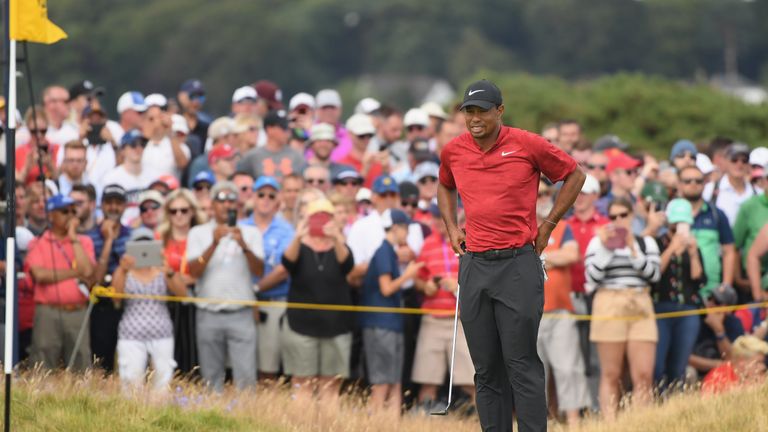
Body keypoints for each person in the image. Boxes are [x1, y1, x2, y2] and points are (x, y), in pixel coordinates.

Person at [437, 79, 585, 431]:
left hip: (518, 264)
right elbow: (445, 185)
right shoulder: (454, 150)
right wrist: (451, 227)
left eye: (481, 111)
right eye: (468, 111)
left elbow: (574, 175)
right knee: (486, 369)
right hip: (474, 265)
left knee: (520, 363)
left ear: (499, 111)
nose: (474, 118)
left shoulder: (526, 144)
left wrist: (548, 225)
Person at [585, 198, 661, 420]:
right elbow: (592, 279)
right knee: (610, 373)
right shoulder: (596, 243)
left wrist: (632, 250)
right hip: (608, 302)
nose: (618, 221)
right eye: (613, 217)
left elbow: (654, 275)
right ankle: (609, 423)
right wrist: (608, 249)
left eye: (623, 215)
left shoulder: (646, 242)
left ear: (632, 216)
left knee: (644, 374)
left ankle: (641, 422)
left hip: (640, 302)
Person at [186, 181, 265, 390]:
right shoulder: (198, 233)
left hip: (241, 313)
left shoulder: (251, 232)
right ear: (212, 204)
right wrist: (213, 244)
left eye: (232, 199)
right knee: (211, 377)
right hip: (208, 313)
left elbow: (259, 271)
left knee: (246, 377)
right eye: (221, 200)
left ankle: (246, 418)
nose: (227, 204)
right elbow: (193, 272)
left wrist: (244, 246)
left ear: (237, 204)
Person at [281, 199, 354, 408]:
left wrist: (336, 237)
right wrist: (298, 235)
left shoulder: (340, 245)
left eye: (325, 216)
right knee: (302, 382)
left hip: (335, 326)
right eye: (316, 217)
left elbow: (347, 265)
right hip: (301, 326)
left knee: (330, 384)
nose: (321, 222)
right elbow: (287, 263)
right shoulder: (299, 245)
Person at [534, 180, 591, 425]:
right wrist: (551, 259)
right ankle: (538, 423)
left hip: (559, 310)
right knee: (536, 374)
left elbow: (572, 254)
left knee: (568, 368)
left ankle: (574, 422)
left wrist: (539, 258)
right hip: (530, 313)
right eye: (539, 194)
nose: (543, 197)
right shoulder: (521, 227)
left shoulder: (562, 226)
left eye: (547, 193)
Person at [411, 204, 475, 414]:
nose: (439, 221)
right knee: (427, 378)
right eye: (436, 217)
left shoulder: (467, 242)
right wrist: (426, 286)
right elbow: (418, 280)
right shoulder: (427, 245)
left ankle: (480, 422)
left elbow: (478, 278)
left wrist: (456, 285)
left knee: (470, 379)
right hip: (433, 318)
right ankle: (426, 421)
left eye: (442, 217)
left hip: (461, 318)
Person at [361, 209, 423, 415]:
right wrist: (409, 275)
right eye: (405, 228)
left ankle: (392, 424)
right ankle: (374, 425)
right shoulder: (384, 251)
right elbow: (386, 288)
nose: (407, 233)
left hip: (391, 323)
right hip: (381, 324)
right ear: (395, 227)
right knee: (382, 382)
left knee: (395, 381)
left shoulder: (388, 251)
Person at [25, 195, 95, 371]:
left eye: (73, 211)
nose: (70, 215)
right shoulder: (38, 242)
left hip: (77, 311)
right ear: (51, 215)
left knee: (81, 362)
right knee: (42, 363)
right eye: (65, 211)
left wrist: (73, 237)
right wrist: (73, 273)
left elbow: (87, 272)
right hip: (48, 312)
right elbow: (40, 275)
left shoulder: (83, 241)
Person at [113, 227, 187, 391]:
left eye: (148, 243)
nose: (143, 247)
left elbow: (182, 294)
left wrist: (169, 271)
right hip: (131, 333)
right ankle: (131, 414)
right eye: (139, 244)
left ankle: (160, 413)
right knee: (131, 382)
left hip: (161, 332)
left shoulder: (162, 269)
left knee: (162, 382)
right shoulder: (125, 271)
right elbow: (116, 298)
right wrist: (122, 270)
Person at [240, 176, 295, 381]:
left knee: (267, 369)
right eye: (261, 194)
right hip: (242, 304)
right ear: (253, 197)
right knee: (239, 366)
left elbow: (283, 270)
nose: (265, 199)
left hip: (271, 303)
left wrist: (254, 288)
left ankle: (264, 410)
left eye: (271, 196)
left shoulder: (286, 230)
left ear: (278, 201)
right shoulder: (240, 226)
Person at [652, 198, 705, 391]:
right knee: (657, 365)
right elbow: (654, 274)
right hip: (661, 308)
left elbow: (699, 279)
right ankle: (658, 400)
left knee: (678, 366)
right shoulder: (657, 243)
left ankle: (675, 402)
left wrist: (692, 253)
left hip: (688, 309)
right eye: (676, 223)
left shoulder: (693, 246)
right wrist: (672, 248)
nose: (680, 228)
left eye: (683, 223)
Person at [156, 188, 207, 374]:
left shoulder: (202, 235)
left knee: (191, 352)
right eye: (173, 210)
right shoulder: (160, 238)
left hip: (193, 301)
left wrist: (174, 276)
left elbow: (200, 272)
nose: (179, 215)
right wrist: (177, 278)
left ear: (192, 211)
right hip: (164, 301)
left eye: (184, 210)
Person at [85, 184, 132, 373]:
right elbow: (95, 278)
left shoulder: (133, 236)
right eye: (109, 203)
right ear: (101, 205)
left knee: (127, 362)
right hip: (101, 306)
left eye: (118, 203)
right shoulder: (90, 237)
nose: (113, 207)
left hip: (127, 304)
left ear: (125, 207)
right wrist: (109, 240)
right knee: (101, 362)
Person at [679, 166, 736, 300]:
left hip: (711, 292)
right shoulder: (670, 213)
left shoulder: (717, 214)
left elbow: (729, 251)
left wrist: (726, 285)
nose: (693, 184)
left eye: (698, 181)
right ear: (679, 184)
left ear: (705, 184)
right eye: (688, 181)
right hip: (680, 292)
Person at [101, 129, 154, 224]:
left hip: (149, 226)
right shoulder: (111, 178)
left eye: (142, 144)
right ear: (122, 150)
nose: (138, 149)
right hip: (122, 229)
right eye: (133, 145)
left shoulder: (153, 175)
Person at [238, 111, 305, 180]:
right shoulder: (252, 156)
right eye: (284, 128)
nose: (288, 132)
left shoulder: (297, 156)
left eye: (289, 128)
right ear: (269, 129)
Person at [703, 143, 755, 227]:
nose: (739, 164)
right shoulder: (709, 190)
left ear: (749, 164)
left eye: (744, 160)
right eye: (734, 160)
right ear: (725, 161)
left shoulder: (757, 192)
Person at [702, 335, 768, 394]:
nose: (763, 367)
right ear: (741, 361)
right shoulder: (717, 378)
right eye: (757, 363)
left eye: (762, 362)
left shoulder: (759, 376)